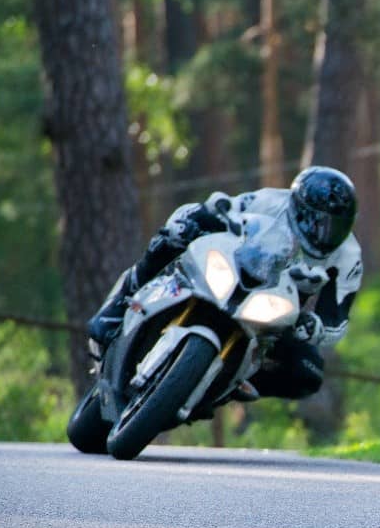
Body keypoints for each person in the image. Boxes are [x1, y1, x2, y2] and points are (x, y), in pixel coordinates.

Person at [87, 166, 363, 401]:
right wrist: (192, 222)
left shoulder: (349, 258)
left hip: (277, 314)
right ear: (299, 207)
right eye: (316, 221)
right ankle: (118, 306)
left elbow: (336, 319)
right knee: (168, 241)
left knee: (308, 373)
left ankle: (226, 385)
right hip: (234, 275)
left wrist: (314, 327)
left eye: (334, 226)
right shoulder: (268, 201)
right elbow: (217, 208)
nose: (323, 233)